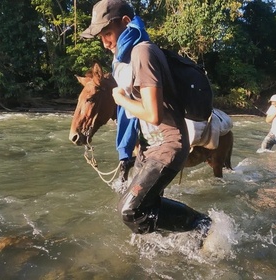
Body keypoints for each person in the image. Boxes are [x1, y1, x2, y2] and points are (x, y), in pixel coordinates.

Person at [81, 0, 211, 235]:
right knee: (143, 206)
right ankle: (171, 246)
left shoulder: (143, 52)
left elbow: (153, 114)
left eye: (108, 33)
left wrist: (120, 100)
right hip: (149, 147)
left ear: (126, 23)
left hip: (169, 145)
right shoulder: (129, 57)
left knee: (130, 211)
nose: (105, 42)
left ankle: (201, 225)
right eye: (101, 36)